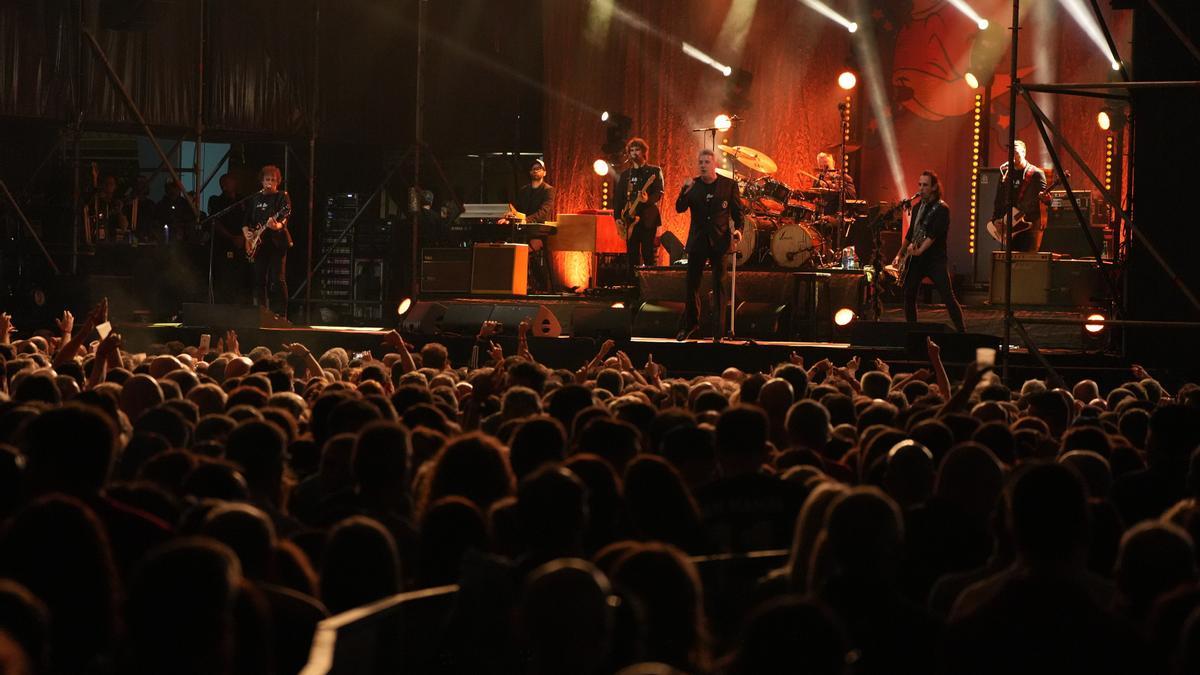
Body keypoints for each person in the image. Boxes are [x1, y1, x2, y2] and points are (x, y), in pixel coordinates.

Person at [674, 147, 744, 342]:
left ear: (715, 165)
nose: (703, 166)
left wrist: (738, 230)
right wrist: (683, 191)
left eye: (707, 162)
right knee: (691, 285)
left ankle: (718, 332)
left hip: (719, 241)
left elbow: (738, 213)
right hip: (697, 241)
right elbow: (679, 208)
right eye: (701, 162)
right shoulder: (693, 185)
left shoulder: (728, 185)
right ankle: (691, 325)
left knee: (719, 286)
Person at [894, 170, 966, 333]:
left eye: (925, 185)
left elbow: (933, 235)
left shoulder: (942, 209)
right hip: (917, 260)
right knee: (909, 294)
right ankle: (912, 331)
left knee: (948, 297)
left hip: (935, 260)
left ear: (934, 187)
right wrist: (900, 254)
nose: (921, 188)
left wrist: (920, 251)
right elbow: (910, 233)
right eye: (919, 184)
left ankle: (962, 332)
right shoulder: (918, 206)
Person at [244, 165, 292, 318]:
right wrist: (246, 232)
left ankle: (281, 314)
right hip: (259, 244)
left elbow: (285, 214)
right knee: (259, 278)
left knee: (277, 278)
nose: (270, 182)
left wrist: (277, 225)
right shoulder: (255, 198)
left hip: (277, 243)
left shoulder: (282, 196)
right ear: (262, 181)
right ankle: (261, 312)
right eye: (267, 179)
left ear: (278, 182)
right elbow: (247, 219)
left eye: (273, 179)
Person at [613, 138, 665, 274]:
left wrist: (647, 200)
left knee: (648, 253)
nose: (634, 153)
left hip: (648, 219)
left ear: (644, 152)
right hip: (630, 221)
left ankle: (649, 287)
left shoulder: (654, 171)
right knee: (632, 254)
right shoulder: (625, 175)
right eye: (632, 150)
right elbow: (618, 198)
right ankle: (633, 286)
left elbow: (659, 193)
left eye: (637, 150)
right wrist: (617, 217)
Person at [987, 139, 1048, 253]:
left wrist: (1047, 200)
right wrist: (996, 220)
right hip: (1011, 226)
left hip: (1029, 226)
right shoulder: (1006, 173)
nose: (1012, 155)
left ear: (1024, 152)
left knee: (1027, 262)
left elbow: (1046, 201)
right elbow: (999, 199)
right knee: (1012, 262)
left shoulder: (1036, 173)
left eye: (1015, 152)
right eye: (1010, 152)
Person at [510, 159, 555, 292]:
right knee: (512, 247)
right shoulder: (524, 190)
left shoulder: (548, 190)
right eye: (533, 169)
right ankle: (517, 283)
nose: (535, 170)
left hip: (538, 231)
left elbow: (543, 212)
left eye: (539, 168)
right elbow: (518, 209)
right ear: (530, 172)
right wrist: (510, 216)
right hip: (523, 230)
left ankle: (540, 285)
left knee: (526, 251)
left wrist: (526, 220)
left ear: (544, 172)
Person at [207, 174, 247, 302]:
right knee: (224, 275)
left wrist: (243, 237)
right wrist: (231, 237)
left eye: (234, 181)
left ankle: (240, 303)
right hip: (224, 244)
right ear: (223, 185)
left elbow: (249, 220)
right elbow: (216, 222)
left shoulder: (243, 200)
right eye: (230, 182)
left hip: (242, 243)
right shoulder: (216, 201)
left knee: (241, 275)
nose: (234, 183)